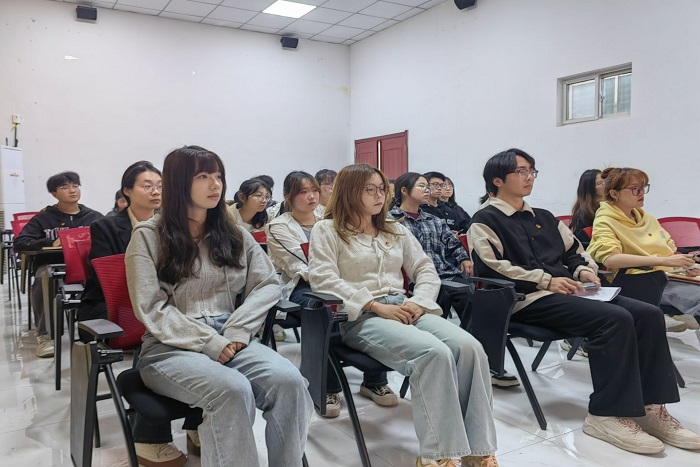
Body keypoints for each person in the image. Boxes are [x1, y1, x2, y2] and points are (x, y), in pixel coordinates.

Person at [468, 148, 699, 455]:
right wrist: (546, 280)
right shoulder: (485, 220)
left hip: (569, 292)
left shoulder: (544, 218)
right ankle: (606, 415)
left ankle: (651, 408)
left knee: (647, 314)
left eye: (532, 171)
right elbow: (491, 267)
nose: (529, 177)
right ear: (497, 180)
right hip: (525, 299)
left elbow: (574, 251)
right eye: (521, 171)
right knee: (614, 319)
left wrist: (584, 270)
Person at [125, 146, 313, 467]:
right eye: (203, 176)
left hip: (230, 337)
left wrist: (238, 329)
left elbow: (267, 283)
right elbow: (151, 307)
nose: (216, 184)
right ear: (178, 182)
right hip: (169, 347)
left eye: (218, 176)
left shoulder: (233, 233)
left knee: (290, 383)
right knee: (232, 390)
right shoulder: (148, 236)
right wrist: (208, 341)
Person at [309, 164, 498, 467]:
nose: (379, 195)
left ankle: (478, 451)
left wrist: (420, 302)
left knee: (469, 347)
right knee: (433, 354)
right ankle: (437, 455)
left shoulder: (394, 228)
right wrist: (374, 305)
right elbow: (323, 279)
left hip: (405, 307)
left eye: (382, 189)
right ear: (349, 192)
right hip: (363, 316)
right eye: (370, 189)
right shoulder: (328, 230)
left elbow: (424, 268)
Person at [78, 161, 200, 466]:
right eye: (147, 186)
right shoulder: (106, 226)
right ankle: (149, 438)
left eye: (159, 185)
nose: (156, 191)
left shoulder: (174, 224)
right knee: (160, 331)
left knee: (199, 326)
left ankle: (196, 421)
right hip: (112, 305)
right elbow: (111, 277)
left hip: (158, 301)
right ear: (127, 192)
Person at [266, 171, 397, 417]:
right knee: (325, 306)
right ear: (288, 197)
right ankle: (327, 387)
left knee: (372, 295)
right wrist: (337, 277)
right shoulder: (278, 226)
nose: (311, 196)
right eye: (303, 192)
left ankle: (375, 381)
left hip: (341, 278)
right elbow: (303, 265)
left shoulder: (330, 217)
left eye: (314, 190)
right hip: (300, 285)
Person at [388, 173, 519, 390]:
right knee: (464, 296)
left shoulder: (433, 220)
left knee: (485, 301)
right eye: (422, 186)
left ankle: (481, 361)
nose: (428, 190)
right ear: (404, 190)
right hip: (417, 282)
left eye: (428, 187)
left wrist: (464, 258)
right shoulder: (391, 221)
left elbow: (453, 243)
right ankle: (465, 360)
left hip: (446, 274)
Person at [587, 167, 700, 332]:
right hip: (641, 281)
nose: (641, 193)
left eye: (643, 188)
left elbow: (669, 250)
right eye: (635, 189)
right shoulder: (605, 220)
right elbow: (610, 260)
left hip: (668, 276)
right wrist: (665, 261)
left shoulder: (647, 218)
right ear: (614, 193)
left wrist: (686, 266)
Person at [14, 171, 102, 358]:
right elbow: (20, 242)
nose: (72, 190)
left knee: (106, 276)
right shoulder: (43, 218)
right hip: (52, 266)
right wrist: (48, 243)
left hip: (85, 267)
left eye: (75, 186)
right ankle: (45, 336)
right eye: (65, 187)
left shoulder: (93, 217)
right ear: (54, 193)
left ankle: (99, 330)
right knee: (44, 279)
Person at [569, 169, 604, 247]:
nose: (605, 185)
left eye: (605, 182)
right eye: (600, 183)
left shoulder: (610, 206)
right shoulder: (584, 214)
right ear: (590, 188)